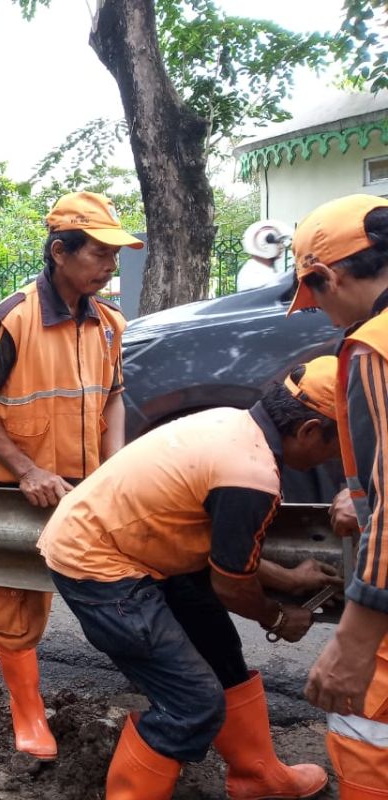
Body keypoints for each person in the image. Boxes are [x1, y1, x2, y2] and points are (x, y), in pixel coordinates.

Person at [37, 356, 342, 800]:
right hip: (99, 566)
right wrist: (277, 618)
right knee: (193, 705)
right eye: (336, 444)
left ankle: (256, 775)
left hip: (145, 552)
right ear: (310, 429)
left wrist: (288, 579)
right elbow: (232, 585)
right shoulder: (251, 474)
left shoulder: (232, 423)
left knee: (219, 648)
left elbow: (225, 558)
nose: (335, 458)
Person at [0, 191, 139, 760]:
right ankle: (28, 715)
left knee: (121, 594)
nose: (111, 266)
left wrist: (116, 470)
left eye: (115, 254)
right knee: (14, 610)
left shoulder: (110, 322)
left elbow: (113, 399)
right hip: (14, 490)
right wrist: (28, 469)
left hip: (84, 490)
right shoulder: (11, 319)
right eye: (101, 254)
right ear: (60, 251)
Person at [286, 193, 388, 799]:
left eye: (316, 294)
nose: (323, 314)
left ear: (327, 274)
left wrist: (353, 642)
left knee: (365, 729)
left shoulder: (374, 347)